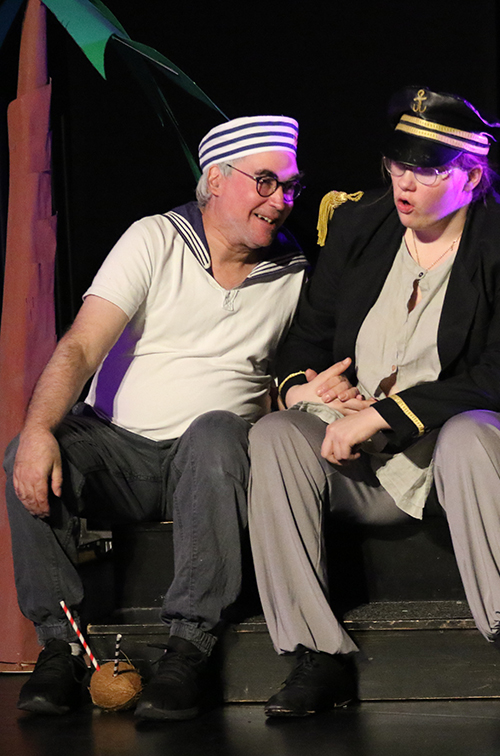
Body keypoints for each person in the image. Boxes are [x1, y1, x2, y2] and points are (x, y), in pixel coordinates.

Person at [247, 86, 500, 720]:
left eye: (427, 171)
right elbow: (305, 339)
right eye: (397, 166)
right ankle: (315, 656)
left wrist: (385, 414)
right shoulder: (357, 223)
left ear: (470, 176)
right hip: (359, 453)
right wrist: (303, 388)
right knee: (274, 435)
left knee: (469, 435)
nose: (405, 183)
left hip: (460, 451)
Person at [4, 116, 307, 719]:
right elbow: (81, 346)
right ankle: (61, 647)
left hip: (214, 460)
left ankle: (188, 650)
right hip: (119, 449)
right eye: (266, 182)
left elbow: (291, 373)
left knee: (218, 429)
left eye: (291, 186)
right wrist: (38, 430)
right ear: (216, 180)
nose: (281, 200)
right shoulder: (156, 238)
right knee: (25, 451)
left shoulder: (293, 268)